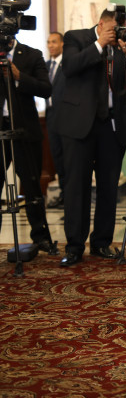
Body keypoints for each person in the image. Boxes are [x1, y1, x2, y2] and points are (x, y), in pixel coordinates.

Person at [56, 7, 126, 266]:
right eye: (114, 29)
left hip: (111, 126)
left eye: (120, 29)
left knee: (108, 188)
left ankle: (101, 242)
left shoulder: (120, 48)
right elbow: (70, 67)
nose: (117, 33)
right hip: (80, 125)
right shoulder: (76, 38)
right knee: (77, 187)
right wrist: (99, 44)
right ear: (102, 23)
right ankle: (74, 246)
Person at [0, 36, 56, 254]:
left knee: (32, 187)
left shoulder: (32, 54)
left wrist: (19, 77)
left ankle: (41, 237)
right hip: (0, 130)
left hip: (26, 130)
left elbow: (46, 89)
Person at [45, 31, 66, 210]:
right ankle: (63, 194)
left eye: (54, 42)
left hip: (66, 117)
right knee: (57, 157)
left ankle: (70, 195)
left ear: (62, 44)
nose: (50, 45)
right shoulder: (45, 66)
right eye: (48, 42)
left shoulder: (68, 65)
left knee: (68, 158)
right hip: (50, 116)